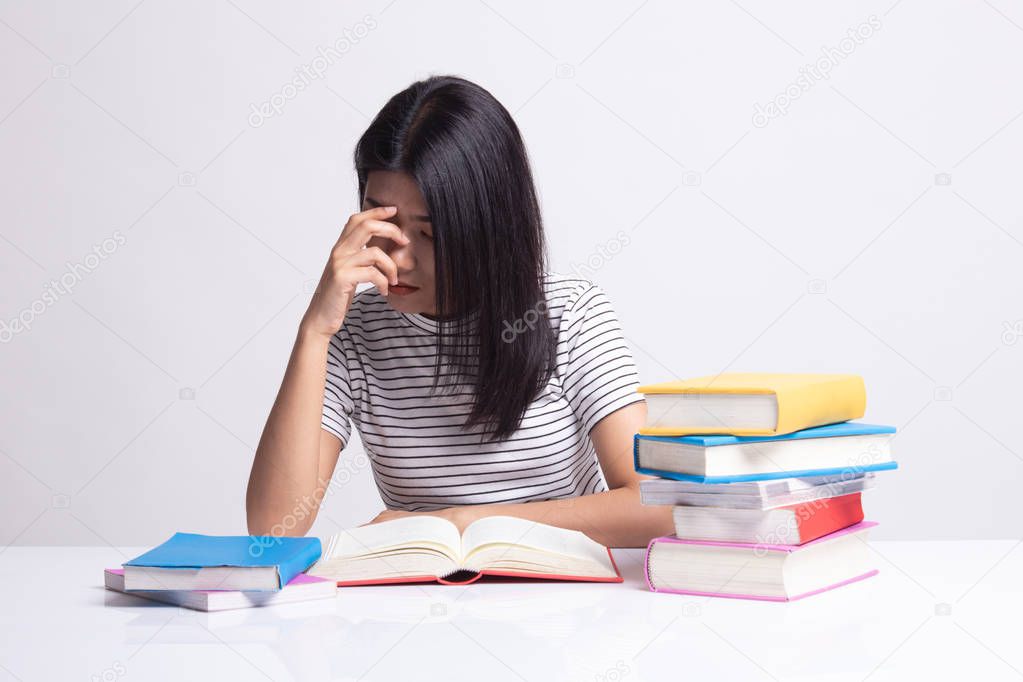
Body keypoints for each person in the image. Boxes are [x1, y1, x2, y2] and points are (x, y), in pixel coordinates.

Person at [246, 75, 673, 547]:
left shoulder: (570, 314)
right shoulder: (353, 331)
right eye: (382, 222)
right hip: (423, 603)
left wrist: (461, 522)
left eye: (429, 234)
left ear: (489, 227)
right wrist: (314, 332)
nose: (399, 258)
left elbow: (654, 504)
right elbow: (272, 527)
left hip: (565, 603)